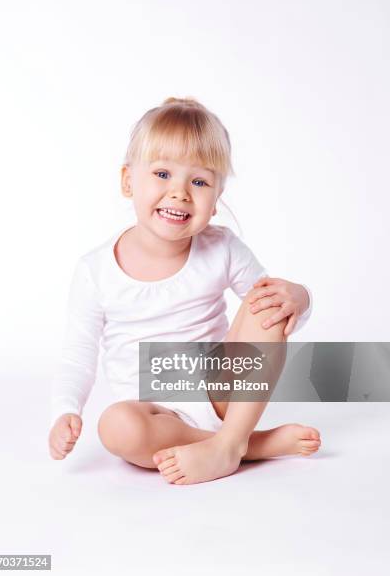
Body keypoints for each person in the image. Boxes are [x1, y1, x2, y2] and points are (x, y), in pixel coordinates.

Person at [48, 96, 321, 485]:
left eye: (199, 181)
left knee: (267, 300)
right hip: (153, 411)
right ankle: (247, 444)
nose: (179, 192)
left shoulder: (222, 248)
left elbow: (276, 320)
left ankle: (228, 442)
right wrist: (65, 410)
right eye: (162, 174)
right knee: (115, 427)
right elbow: (78, 354)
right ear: (128, 181)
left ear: (216, 201)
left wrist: (300, 297)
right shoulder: (95, 270)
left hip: (220, 390)